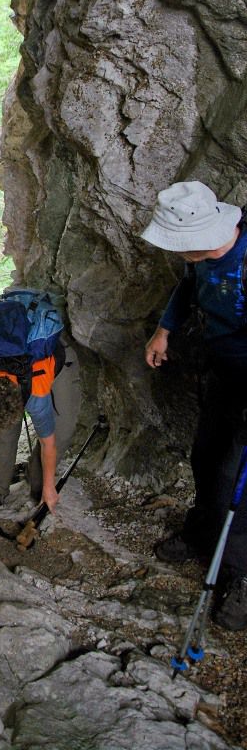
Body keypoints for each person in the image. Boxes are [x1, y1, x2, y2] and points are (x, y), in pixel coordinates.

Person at [142, 179, 247, 631]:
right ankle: (202, 532)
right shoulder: (201, 259)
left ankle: (239, 574)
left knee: (236, 475)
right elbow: (187, 288)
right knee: (205, 456)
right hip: (223, 370)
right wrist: (164, 330)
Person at [0, 334, 81, 509]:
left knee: (61, 430)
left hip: (56, 361)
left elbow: (49, 442)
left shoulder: (38, 399)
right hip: (15, 368)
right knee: (4, 426)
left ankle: (36, 482)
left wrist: (47, 487)